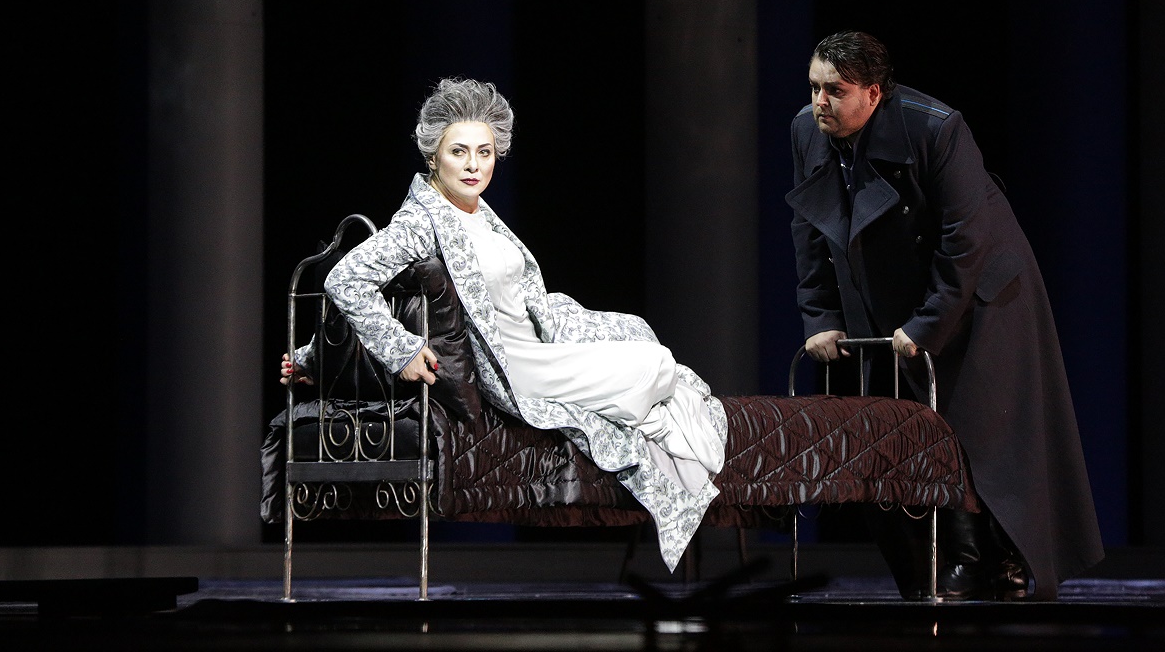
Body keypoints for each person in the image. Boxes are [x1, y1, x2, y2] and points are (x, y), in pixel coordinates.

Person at [281, 76, 727, 572]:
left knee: (648, 345)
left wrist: (311, 358)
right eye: (459, 152)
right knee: (656, 368)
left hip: (540, 344)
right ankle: (646, 420)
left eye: (485, 152)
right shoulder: (420, 221)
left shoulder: (481, 213)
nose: (474, 165)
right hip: (513, 367)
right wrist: (399, 351)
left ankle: (640, 413)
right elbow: (345, 279)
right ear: (433, 156)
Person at [787, 30, 1104, 601]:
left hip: (981, 291)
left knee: (981, 425)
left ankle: (993, 559)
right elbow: (810, 230)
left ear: (874, 93)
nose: (819, 102)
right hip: (888, 291)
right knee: (899, 428)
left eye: (835, 90)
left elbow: (965, 238)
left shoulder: (935, 127)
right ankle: (943, 565)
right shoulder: (807, 131)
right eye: (814, 87)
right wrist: (820, 316)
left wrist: (928, 324)